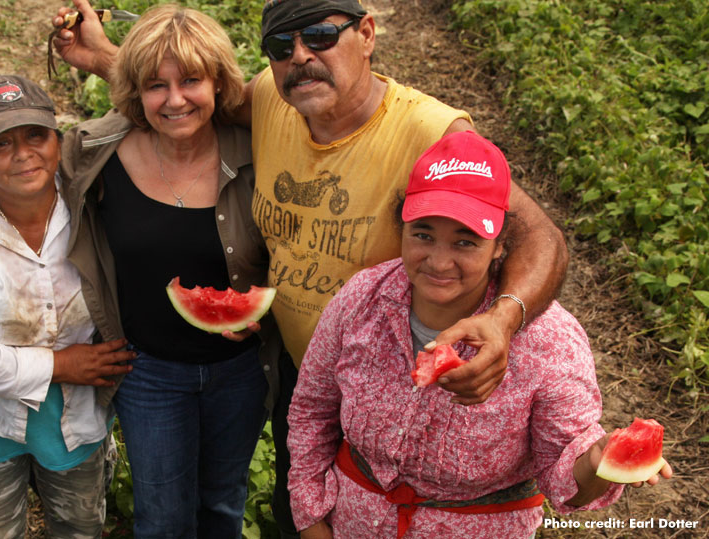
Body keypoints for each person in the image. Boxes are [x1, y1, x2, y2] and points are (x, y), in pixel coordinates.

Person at [51, 0, 569, 537]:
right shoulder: (275, 98)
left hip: (392, 378)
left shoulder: (432, 132)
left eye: (321, 36)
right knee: (297, 510)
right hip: (300, 376)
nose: (300, 56)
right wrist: (105, 57)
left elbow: (538, 234)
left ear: (367, 33)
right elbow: (182, 93)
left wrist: (503, 319)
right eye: (280, 45)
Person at [286, 131, 673, 538]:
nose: (438, 260)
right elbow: (312, 409)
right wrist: (311, 517)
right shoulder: (362, 298)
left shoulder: (551, 341)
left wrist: (596, 463)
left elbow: (564, 485)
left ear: (500, 246)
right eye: (423, 234)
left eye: (465, 242)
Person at [59, 4, 276, 538]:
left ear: (220, 84)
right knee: (161, 518)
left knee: (223, 504)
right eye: (156, 85)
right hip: (148, 372)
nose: (175, 100)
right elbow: (22, 166)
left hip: (240, 371)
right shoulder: (95, 153)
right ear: (136, 93)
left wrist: (268, 311)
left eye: (192, 81)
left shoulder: (261, 152)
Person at [0, 75, 134, 538]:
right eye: (2, 144)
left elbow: (149, 112)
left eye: (36, 135)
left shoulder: (92, 203)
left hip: (74, 415)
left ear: (59, 140)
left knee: (80, 526)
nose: (22, 154)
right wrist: (61, 364)